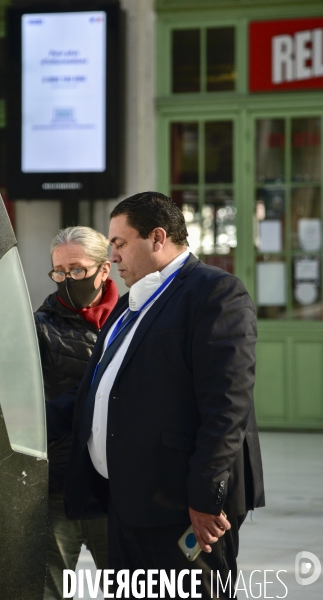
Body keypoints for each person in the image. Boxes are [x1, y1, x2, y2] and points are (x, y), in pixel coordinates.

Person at [49, 192, 265, 598]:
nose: (112, 257)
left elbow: (227, 406)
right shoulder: (133, 301)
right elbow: (98, 389)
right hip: (129, 503)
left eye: (119, 243)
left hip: (182, 509)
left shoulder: (215, 292)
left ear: (157, 238)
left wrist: (205, 498)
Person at [34, 226, 119, 600]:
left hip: (116, 490)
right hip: (59, 489)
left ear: (105, 269)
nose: (68, 280)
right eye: (59, 272)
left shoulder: (137, 320)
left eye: (78, 270)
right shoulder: (38, 327)